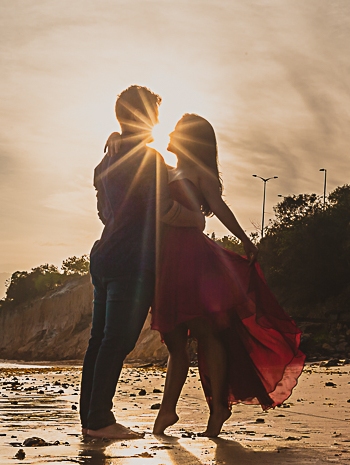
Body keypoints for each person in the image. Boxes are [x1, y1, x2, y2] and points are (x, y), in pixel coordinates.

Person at [150, 114, 305, 437]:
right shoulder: (168, 169)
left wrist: (246, 239)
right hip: (167, 260)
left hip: (192, 258)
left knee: (206, 331)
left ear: (191, 140)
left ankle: (218, 406)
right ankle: (168, 410)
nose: (172, 132)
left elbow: (218, 206)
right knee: (176, 339)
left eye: (179, 129)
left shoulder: (197, 171)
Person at [80, 86, 206, 440]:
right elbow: (165, 210)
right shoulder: (148, 160)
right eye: (155, 114)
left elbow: (104, 213)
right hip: (132, 260)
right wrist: (196, 219)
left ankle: (90, 420)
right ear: (146, 118)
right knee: (116, 341)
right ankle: (100, 420)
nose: (158, 120)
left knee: (98, 341)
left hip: (104, 255)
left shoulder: (103, 163)